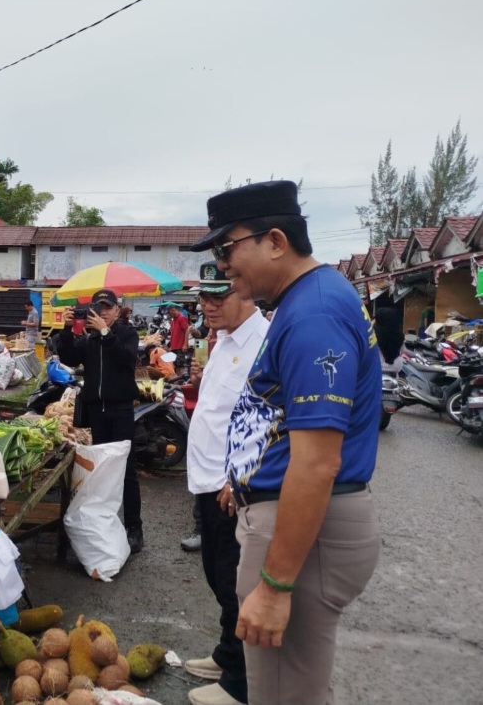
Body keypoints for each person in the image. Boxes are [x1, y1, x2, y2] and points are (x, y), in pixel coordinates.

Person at [189, 180, 381, 705]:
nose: (223, 266)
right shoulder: (308, 300)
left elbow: (317, 464)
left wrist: (275, 586)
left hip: (303, 529)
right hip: (295, 521)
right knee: (295, 683)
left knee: (282, 694)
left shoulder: (314, 314)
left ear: (275, 241)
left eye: (227, 248)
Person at [182, 263, 269, 705]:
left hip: (232, 486)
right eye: (204, 297)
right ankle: (227, 653)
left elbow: (271, 419)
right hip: (206, 479)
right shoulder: (225, 340)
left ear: (247, 292)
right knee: (218, 576)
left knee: (236, 582)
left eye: (219, 296)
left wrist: (241, 478)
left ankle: (242, 682)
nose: (208, 306)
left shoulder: (264, 343)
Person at [56, 289, 144, 552]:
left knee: (126, 470)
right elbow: (69, 358)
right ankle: (105, 525)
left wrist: (106, 333)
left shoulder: (126, 333)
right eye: (99, 307)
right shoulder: (90, 337)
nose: (103, 312)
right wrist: (68, 330)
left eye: (107, 307)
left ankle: (134, 528)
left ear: (117, 310)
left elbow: (127, 360)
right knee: (102, 470)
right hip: (97, 412)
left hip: (121, 410)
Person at [374, 306, 404, 371]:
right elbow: (403, 350)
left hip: (381, 368)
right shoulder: (398, 333)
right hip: (397, 366)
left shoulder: (375, 333)